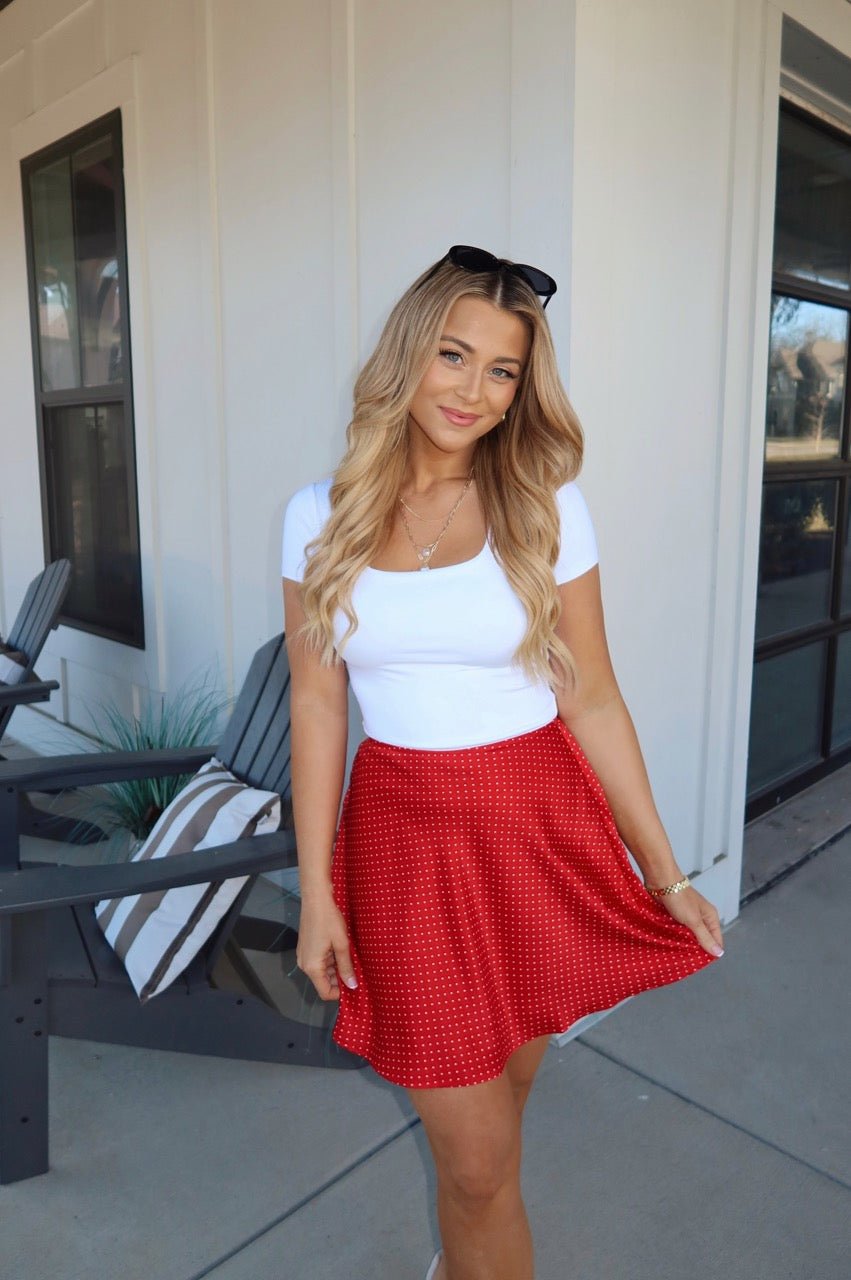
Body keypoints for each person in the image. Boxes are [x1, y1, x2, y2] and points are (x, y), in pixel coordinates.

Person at [281, 245, 725, 1280]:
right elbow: (317, 701)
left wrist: (663, 868)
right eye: (452, 354)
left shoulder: (544, 505)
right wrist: (315, 886)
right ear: (407, 355)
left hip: (537, 832)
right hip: (403, 844)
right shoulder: (318, 515)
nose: (472, 390)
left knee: (499, 1116)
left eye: (502, 370)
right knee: (477, 1162)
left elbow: (594, 695)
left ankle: (460, 1265)